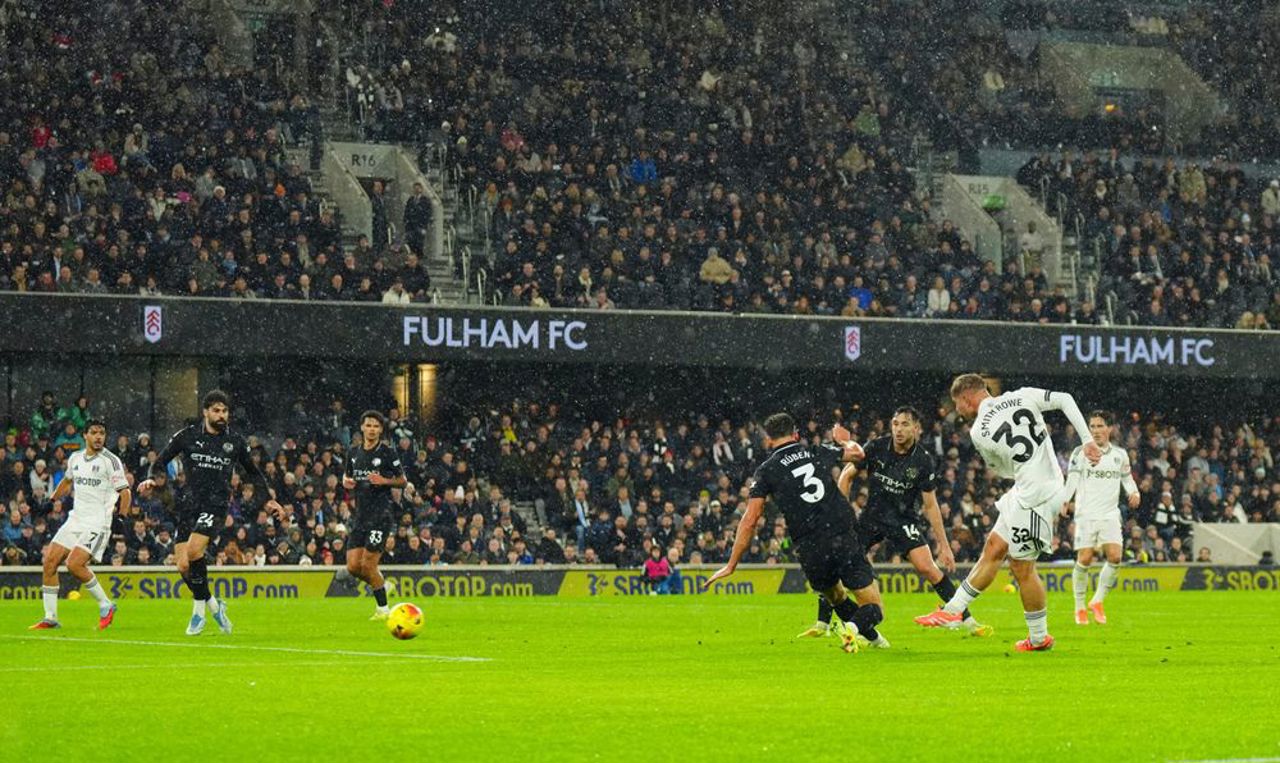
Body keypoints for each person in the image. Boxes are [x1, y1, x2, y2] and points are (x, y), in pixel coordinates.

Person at [916, 375, 1100, 652]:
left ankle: (1039, 639)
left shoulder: (979, 430)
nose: (958, 410)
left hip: (1036, 495)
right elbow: (1065, 399)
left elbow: (1003, 470)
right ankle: (953, 609)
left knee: (1022, 567)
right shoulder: (1023, 395)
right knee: (994, 547)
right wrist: (1087, 440)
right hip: (1034, 488)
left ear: (967, 398)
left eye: (957, 404)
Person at [801, 407, 991, 638]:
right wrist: (842, 513)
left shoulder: (923, 461)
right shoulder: (877, 447)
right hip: (871, 518)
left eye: (904, 424)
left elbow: (930, 505)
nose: (899, 429)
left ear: (916, 428)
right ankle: (823, 623)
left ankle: (967, 619)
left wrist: (944, 545)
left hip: (903, 520)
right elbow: (846, 475)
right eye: (895, 424)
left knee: (927, 567)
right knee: (839, 560)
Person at [706, 413, 887, 653]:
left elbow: (750, 520)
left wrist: (731, 564)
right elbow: (859, 454)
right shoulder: (815, 451)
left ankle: (876, 642)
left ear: (769, 441)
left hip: (809, 547)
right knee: (874, 609)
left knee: (836, 597)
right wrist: (843, 441)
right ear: (795, 434)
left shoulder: (765, 471)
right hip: (840, 534)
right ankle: (852, 629)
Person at [138, 391, 285, 635]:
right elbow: (160, 460)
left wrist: (269, 501)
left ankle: (198, 614)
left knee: (195, 551)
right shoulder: (187, 436)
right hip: (188, 505)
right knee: (183, 565)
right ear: (205, 412)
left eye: (224, 411)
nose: (221, 415)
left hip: (215, 506)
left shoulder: (235, 442)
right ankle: (215, 606)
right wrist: (153, 480)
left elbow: (253, 473)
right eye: (216, 410)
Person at [29, 420, 128, 630]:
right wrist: (50, 501)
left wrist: (122, 518)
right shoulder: (75, 458)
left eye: (102, 433)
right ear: (85, 435)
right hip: (76, 519)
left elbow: (125, 492)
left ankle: (106, 604)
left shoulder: (111, 460)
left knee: (74, 564)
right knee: (49, 562)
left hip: (98, 522)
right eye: (94, 433)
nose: (99, 437)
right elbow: (67, 482)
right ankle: (50, 617)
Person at [1059, 410, 1140, 625]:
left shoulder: (1120, 454)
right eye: (1092, 426)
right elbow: (1072, 479)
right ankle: (1079, 608)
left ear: (1110, 429)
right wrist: (1065, 500)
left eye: (1099, 426)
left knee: (1115, 557)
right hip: (1086, 514)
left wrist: (1135, 492)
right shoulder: (1080, 452)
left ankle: (1097, 601)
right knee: (1084, 559)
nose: (1095, 431)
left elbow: (1127, 479)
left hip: (1110, 514)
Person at [342, 410, 409, 620]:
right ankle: (381, 583)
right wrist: (346, 482)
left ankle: (383, 609)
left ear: (380, 429)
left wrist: (385, 481)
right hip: (360, 516)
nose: (371, 429)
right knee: (353, 566)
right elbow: (348, 477)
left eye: (376, 426)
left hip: (381, 515)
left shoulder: (387, 453)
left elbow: (403, 480)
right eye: (368, 425)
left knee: (368, 564)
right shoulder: (353, 453)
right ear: (362, 427)